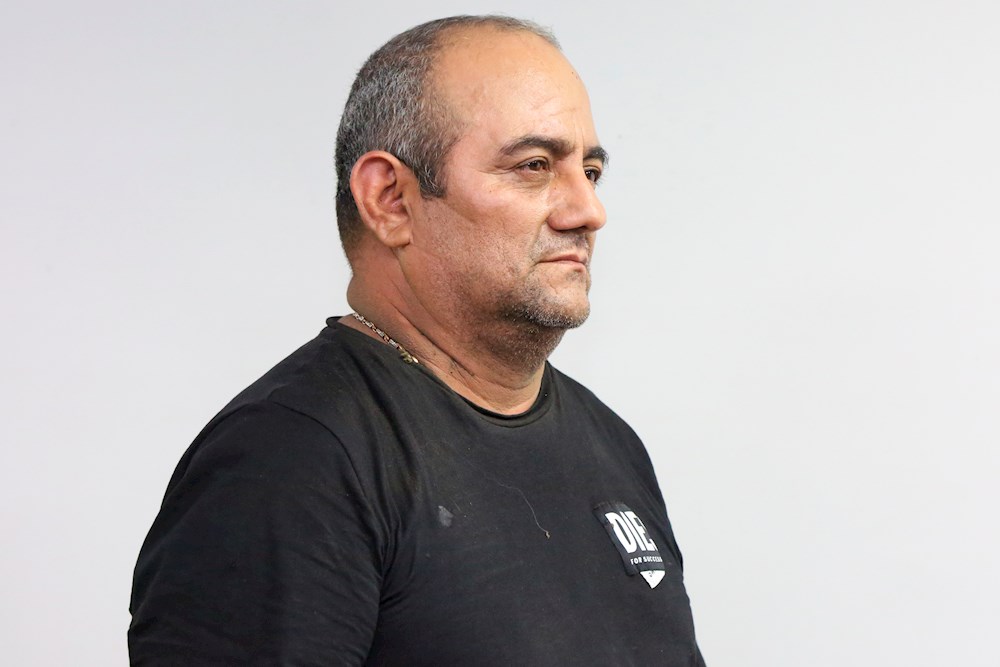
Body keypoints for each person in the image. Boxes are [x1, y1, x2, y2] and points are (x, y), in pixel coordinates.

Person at [129, 15, 705, 666]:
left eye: (591, 171)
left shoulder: (611, 444)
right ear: (390, 201)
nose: (588, 211)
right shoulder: (291, 463)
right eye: (534, 165)